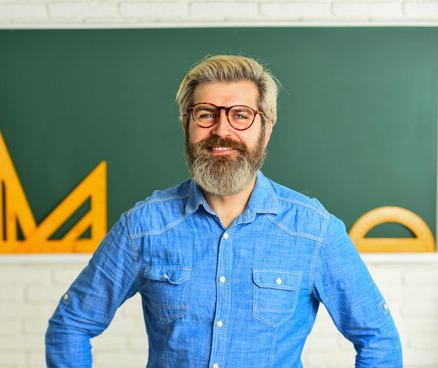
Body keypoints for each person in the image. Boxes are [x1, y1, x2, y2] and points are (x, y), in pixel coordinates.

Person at [45, 55, 402, 367]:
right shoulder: (143, 228)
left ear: (266, 127)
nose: (222, 130)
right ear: (186, 124)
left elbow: (378, 339)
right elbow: (71, 325)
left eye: (241, 115)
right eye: (206, 114)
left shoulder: (314, 231)